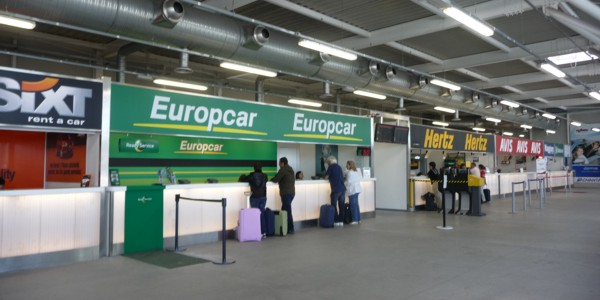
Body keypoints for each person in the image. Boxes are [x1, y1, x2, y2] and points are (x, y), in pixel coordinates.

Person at [271, 157, 296, 234]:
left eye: (279, 163)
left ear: (282, 163)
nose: (278, 164)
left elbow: (276, 179)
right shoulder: (290, 169)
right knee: (284, 210)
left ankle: (290, 228)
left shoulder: (283, 170)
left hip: (286, 193)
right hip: (292, 192)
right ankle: (283, 227)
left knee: (287, 211)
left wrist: (270, 180)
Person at [247, 162, 268, 238]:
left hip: (254, 197)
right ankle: (264, 232)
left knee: (254, 215)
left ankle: (255, 232)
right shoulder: (265, 176)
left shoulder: (251, 175)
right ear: (261, 168)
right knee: (262, 214)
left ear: (254, 168)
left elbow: (245, 179)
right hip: (263, 197)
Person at [324, 155, 346, 227]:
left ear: (330, 161)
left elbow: (326, 177)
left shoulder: (331, 167)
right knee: (341, 205)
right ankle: (341, 221)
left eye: (328, 162)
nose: (328, 163)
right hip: (342, 189)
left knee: (334, 205)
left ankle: (336, 221)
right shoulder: (339, 167)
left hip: (336, 189)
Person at [345, 160, 362, 224]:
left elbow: (349, 182)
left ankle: (354, 220)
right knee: (356, 205)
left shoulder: (350, 173)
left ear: (350, 165)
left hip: (352, 190)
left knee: (353, 205)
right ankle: (358, 219)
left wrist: (344, 184)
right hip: (357, 189)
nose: (346, 166)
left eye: (347, 164)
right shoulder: (356, 171)